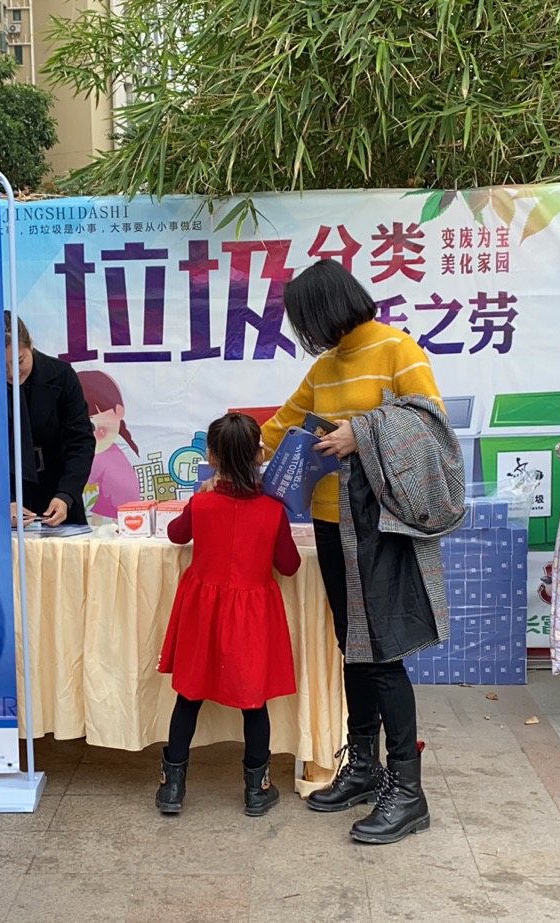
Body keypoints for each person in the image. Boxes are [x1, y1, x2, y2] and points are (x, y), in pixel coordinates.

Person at [260, 258, 444, 845]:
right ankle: (363, 768)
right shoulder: (324, 366)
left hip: (382, 528)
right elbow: (279, 429)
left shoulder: (397, 350)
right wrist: (229, 448)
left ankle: (408, 792)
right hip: (332, 525)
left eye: (305, 320)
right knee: (354, 649)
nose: (305, 334)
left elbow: (431, 427)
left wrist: (360, 431)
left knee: (384, 654)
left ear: (326, 308)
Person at [155, 412, 301, 817]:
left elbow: (176, 534)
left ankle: (172, 788)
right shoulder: (274, 510)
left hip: (204, 614)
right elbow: (288, 566)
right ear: (260, 454)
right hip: (252, 617)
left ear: (212, 457)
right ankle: (257, 789)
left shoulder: (202, 503)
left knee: (188, 696)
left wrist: (200, 495)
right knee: (254, 703)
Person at [6, 313, 96, 527]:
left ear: (31, 346)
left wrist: (66, 495)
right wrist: (3, 500)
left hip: (56, 486)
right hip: (7, 492)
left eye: (19, 361)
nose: (12, 373)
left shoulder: (61, 375)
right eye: (2, 365)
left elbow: (80, 441)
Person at [77, 370, 144, 517]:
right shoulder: (107, 452)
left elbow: (80, 476)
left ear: (118, 411)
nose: (90, 431)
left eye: (94, 424)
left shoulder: (103, 456)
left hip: (118, 516)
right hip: (108, 513)